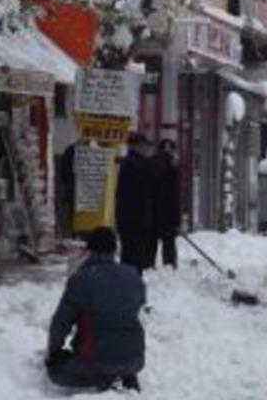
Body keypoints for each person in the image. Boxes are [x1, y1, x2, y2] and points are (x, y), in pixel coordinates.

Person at [45, 227, 146, 392]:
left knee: (56, 372)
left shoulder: (80, 280)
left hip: (97, 360)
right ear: (115, 250)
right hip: (136, 358)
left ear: (89, 250)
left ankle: (106, 377)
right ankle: (124, 374)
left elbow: (60, 323)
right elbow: (138, 304)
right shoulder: (133, 275)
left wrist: (54, 353)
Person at [116, 133, 157, 274]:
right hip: (135, 221)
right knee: (133, 259)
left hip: (131, 220)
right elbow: (143, 195)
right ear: (138, 146)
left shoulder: (132, 163)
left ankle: (129, 284)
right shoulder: (136, 165)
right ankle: (129, 286)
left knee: (131, 257)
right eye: (145, 146)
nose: (148, 149)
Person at [153, 139, 181, 268]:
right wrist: (176, 219)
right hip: (168, 214)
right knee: (168, 244)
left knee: (150, 242)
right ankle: (169, 267)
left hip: (152, 212)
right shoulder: (172, 168)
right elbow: (174, 196)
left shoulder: (152, 164)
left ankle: (149, 265)